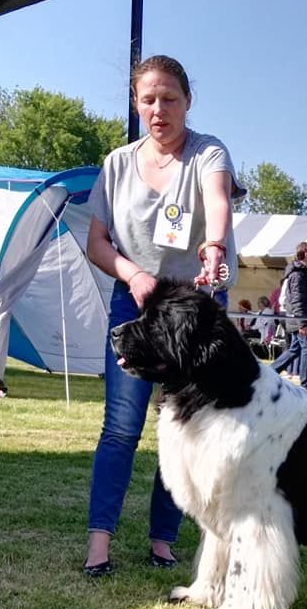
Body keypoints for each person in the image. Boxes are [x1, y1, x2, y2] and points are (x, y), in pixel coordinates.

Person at [83, 54, 245, 577]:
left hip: (195, 309)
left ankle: (162, 540)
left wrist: (214, 246)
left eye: (170, 98)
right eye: (148, 99)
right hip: (133, 303)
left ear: (187, 101)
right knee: (121, 426)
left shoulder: (208, 152)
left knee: (183, 428)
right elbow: (96, 242)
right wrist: (131, 275)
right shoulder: (117, 163)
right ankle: (98, 545)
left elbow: (216, 200)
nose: (159, 109)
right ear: (136, 104)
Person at [271, 241, 307, 388]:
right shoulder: (297, 275)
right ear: (305, 254)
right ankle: (306, 382)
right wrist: (302, 323)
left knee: (295, 348)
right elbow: (297, 300)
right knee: (306, 348)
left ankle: (271, 371)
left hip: (306, 315)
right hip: (300, 317)